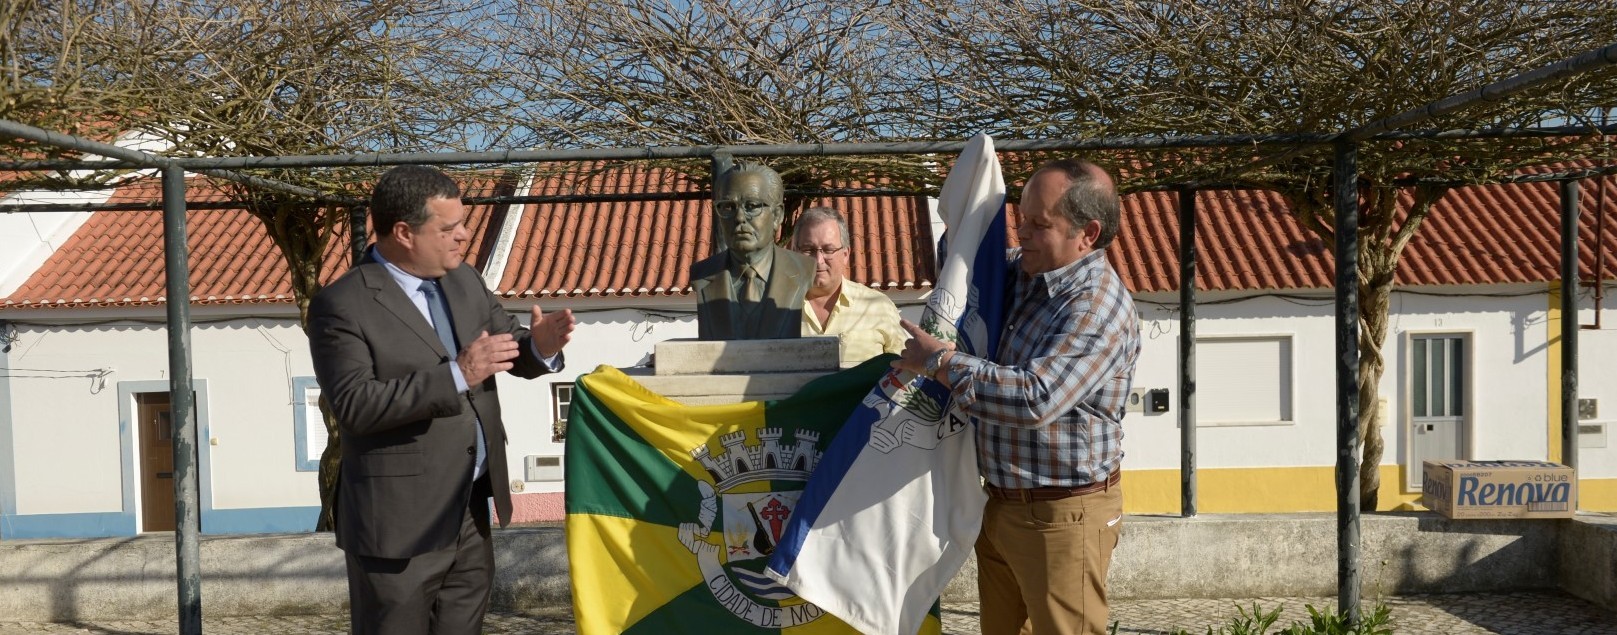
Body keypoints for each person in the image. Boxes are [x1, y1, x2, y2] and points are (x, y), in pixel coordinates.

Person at [307, 165, 575, 635]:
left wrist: (541, 347)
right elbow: (355, 405)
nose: (464, 236)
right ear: (404, 232)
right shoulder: (343, 304)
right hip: (397, 524)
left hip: (469, 508)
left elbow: (506, 345)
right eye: (448, 228)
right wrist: (457, 373)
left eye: (463, 223)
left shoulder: (464, 279)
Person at [892, 159, 1140, 635]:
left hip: (1063, 518)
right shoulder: (1027, 272)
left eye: (1038, 223)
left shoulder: (1096, 305)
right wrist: (964, 224)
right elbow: (967, 266)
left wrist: (940, 363)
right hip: (1003, 507)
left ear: (1086, 233)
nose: (1021, 232)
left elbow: (1034, 398)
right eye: (1019, 217)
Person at [691, 161, 814, 340]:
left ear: (777, 216)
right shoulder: (702, 275)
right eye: (728, 207)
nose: (739, 217)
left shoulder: (803, 270)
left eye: (752, 206)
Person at [792, 206, 905, 366]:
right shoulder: (773, 310)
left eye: (828, 249)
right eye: (808, 249)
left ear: (845, 255)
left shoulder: (878, 307)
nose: (819, 260)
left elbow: (905, 372)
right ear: (794, 252)